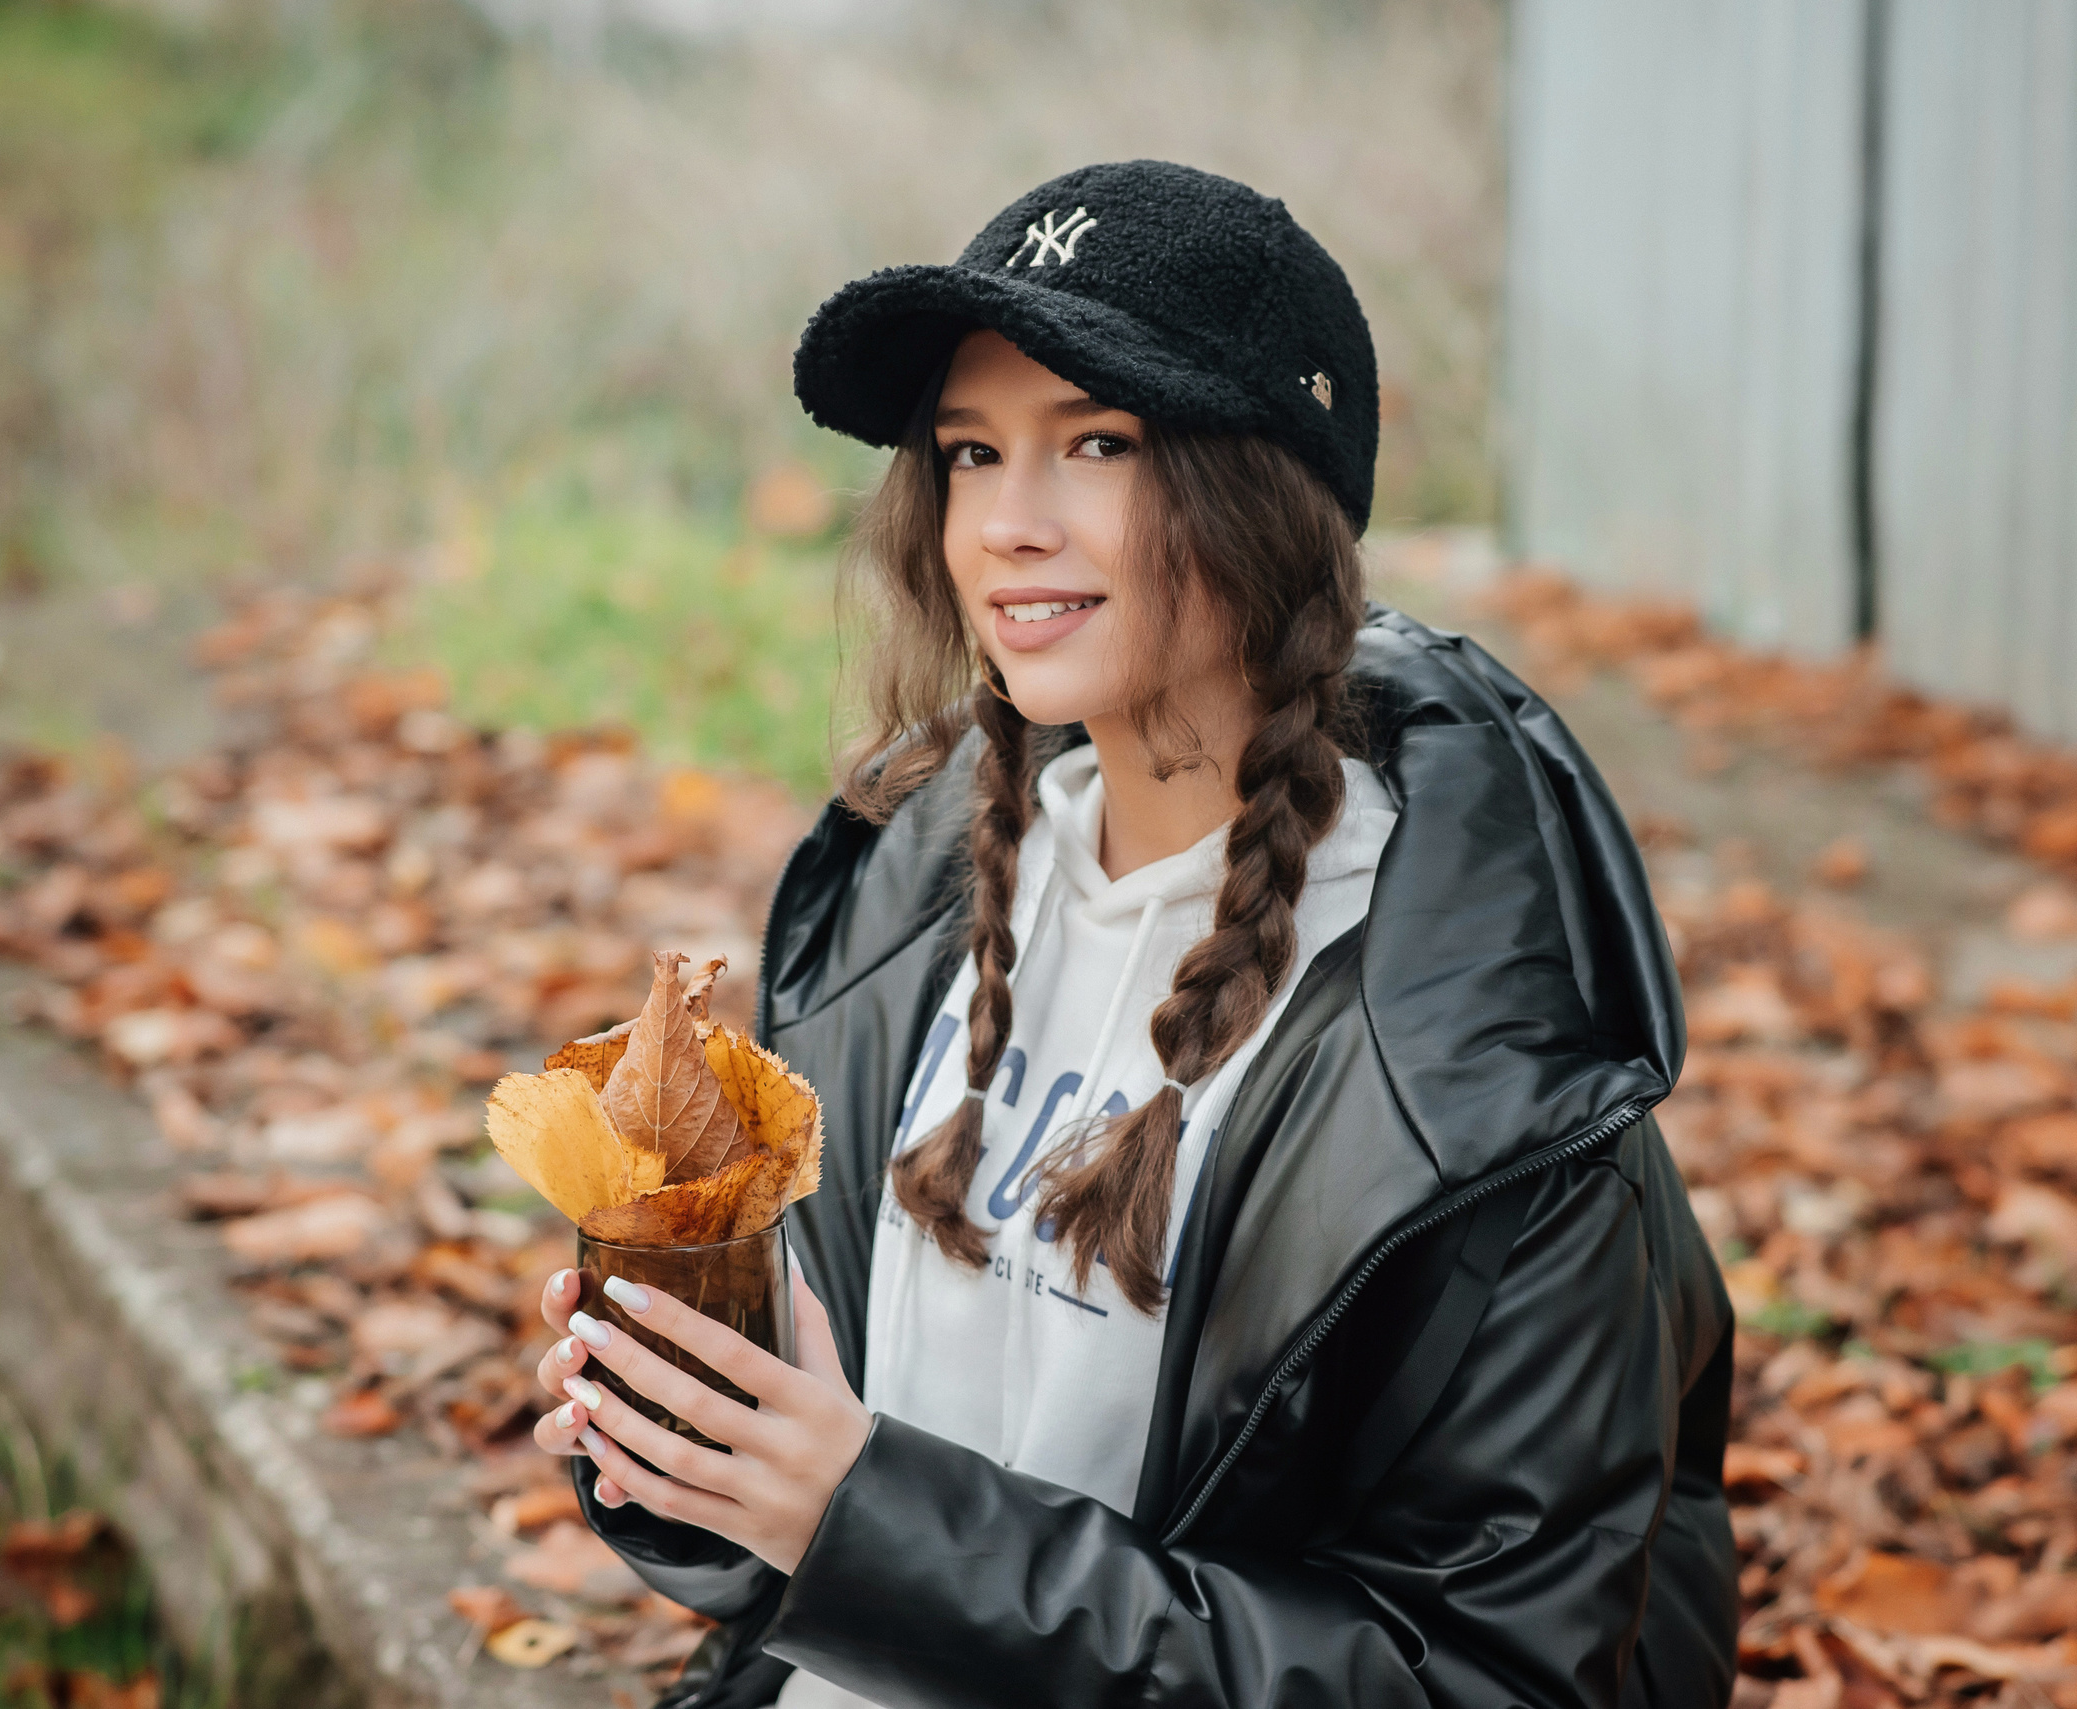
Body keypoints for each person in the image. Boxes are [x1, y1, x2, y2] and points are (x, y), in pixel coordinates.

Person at [523, 160, 1737, 1708]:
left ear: (1269, 497)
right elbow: (808, 1565)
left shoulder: (1475, 1062)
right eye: (970, 454)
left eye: (1096, 442)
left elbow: (1485, 1678)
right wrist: (707, 1454)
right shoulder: (909, 902)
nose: (1007, 526)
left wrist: (867, 1520)